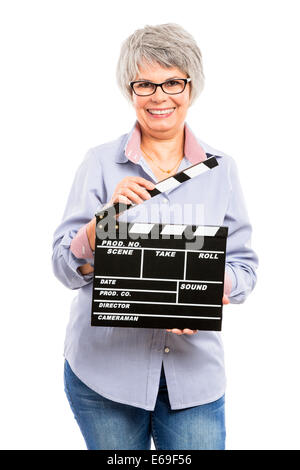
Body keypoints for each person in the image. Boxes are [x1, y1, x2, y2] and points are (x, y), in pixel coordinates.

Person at [52, 23, 258, 450]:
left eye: (172, 82)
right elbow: (63, 268)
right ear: (130, 90)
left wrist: (205, 293)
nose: (159, 96)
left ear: (192, 86)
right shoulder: (99, 164)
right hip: (104, 376)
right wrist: (98, 226)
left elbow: (244, 268)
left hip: (194, 379)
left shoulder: (222, 169)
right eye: (145, 84)